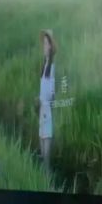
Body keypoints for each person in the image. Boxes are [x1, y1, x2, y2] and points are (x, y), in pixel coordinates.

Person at [38, 29, 57, 169]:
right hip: (41, 111)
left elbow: (51, 94)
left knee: (46, 155)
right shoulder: (44, 66)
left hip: (47, 111)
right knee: (42, 152)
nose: (44, 47)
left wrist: (43, 100)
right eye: (43, 44)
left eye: (46, 44)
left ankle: (48, 179)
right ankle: (45, 179)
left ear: (50, 47)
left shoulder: (52, 67)